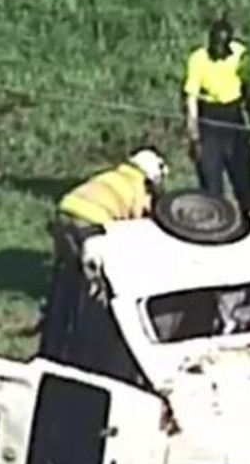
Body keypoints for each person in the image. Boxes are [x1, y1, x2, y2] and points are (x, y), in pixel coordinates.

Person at [39, 149, 168, 358]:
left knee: (67, 274)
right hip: (92, 224)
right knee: (95, 284)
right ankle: (85, 343)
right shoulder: (139, 187)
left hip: (65, 212)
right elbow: (135, 225)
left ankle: (52, 338)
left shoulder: (111, 176)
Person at [184, 17, 250, 210]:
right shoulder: (198, 59)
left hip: (234, 117)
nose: (219, 53)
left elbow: (248, 91)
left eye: (223, 48)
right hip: (209, 120)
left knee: (244, 183)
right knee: (212, 187)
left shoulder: (240, 55)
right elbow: (191, 99)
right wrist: (194, 136)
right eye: (215, 47)